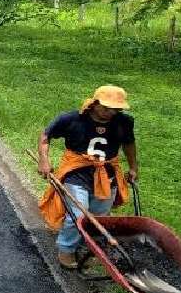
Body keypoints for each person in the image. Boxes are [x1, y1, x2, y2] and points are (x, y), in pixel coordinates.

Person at [36, 85, 138, 269]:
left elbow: (129, 144)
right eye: (106, 108)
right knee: (77, 214)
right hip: (77, 174)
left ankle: (89, 248)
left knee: (99, 217)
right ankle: (66, 249)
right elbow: (46, 135)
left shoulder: (124, 122)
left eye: (116, 109)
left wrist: (133, 167)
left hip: (107, 175)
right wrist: (43, 160)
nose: (111, 113)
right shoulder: (72, 119)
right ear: (95, 103)